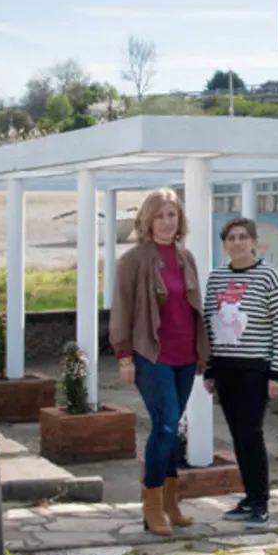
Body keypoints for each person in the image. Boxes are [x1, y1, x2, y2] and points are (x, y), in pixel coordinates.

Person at [109, 188, 210, 537]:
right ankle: (151, 504)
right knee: (165, 425)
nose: (167, 221)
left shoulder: (187, 258)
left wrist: (203, 353)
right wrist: (123, 355)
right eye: (160, 215)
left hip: (185, 356)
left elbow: (195, 309)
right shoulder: (133, 260)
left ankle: (170, 501)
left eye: (173, 214)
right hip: (152, 356)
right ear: (147, 220)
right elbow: (121, 310)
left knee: (171, 426)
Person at [203, 217, 278, 528]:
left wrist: (277, 372)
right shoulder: (216, 279)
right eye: (231, 238)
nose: (237, 242)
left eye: (243, 237)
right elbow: (210, 325)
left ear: (254, 241)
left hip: (256, 369)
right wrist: (210, 368)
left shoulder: (269, 277)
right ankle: (248, 496)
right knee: (237, 436)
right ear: (224, 244)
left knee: (251, 434)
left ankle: (260, 501)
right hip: (226, 368)